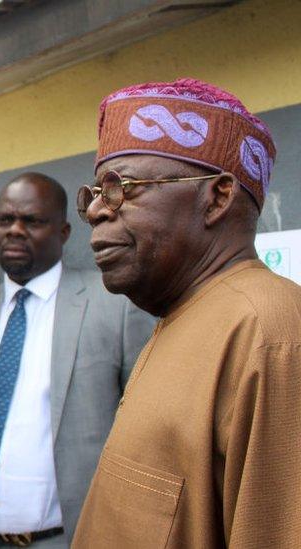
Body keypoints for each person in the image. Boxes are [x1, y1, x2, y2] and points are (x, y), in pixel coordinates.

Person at [73, 78, 301, 548]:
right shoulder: (181, 314)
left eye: (122, 188)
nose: (96, 210)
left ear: (216, 198)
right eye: (95, 192)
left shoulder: (270, 333)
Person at [0, 173, 155, 548]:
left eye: (31, 221)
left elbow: (147, 435)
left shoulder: (115, 306)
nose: (14, 230)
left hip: (69, 538)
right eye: (5, 220)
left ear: (63, 232)